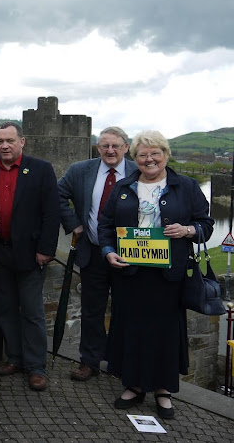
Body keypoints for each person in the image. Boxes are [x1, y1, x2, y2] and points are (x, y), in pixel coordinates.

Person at [99, 130, 213, 419]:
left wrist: (187, 230)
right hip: (131, 272)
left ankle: (163, 389)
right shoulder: (124, 187)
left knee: (164, 332)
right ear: (134, 157)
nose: (149, 159)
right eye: (142, 154)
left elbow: (206, 224)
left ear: (165, 154)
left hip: (169, 275)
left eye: (154, 153)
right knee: (132, 329)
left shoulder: (185, 186)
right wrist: (108, 251)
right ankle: (134, 385)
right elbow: (105, 224)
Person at [0, 122, 60, 391]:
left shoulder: (41, 169)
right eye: (0, 141)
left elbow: (52, 212)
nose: (4, 146)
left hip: (30, 253)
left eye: (10, 141)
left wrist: (46, 249)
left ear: (22, 142)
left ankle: (36, 366)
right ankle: (14, 358)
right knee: (4, 308)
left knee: (31, 311)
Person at [58, 126, 137, 382]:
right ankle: (89, 362)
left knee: (126, 311)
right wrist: (74, 224)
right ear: (98, 147)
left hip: (131, 255)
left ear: (126, 147)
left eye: (115, 145)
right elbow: (57, 194)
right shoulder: (81, 170)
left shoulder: (140, 172)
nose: (110, 150)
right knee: (92, 311)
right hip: (92, 253)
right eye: (104, 146)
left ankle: (121, 362)